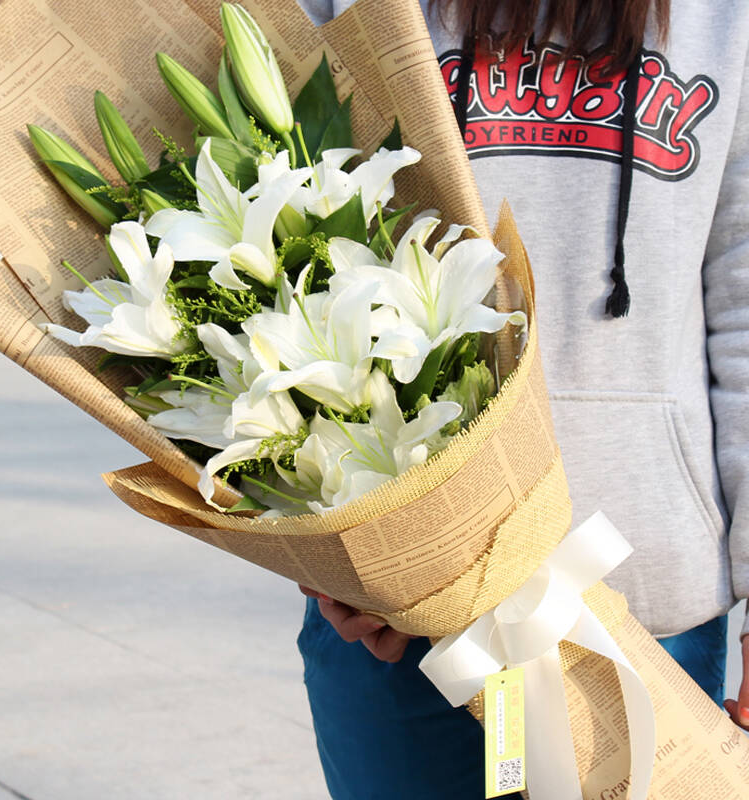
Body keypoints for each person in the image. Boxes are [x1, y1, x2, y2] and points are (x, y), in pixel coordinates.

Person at [295, 0, 749, 797]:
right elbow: (290, 270)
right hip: (401, 611)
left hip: (645, 609)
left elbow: (745, 304)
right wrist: (321, 552)